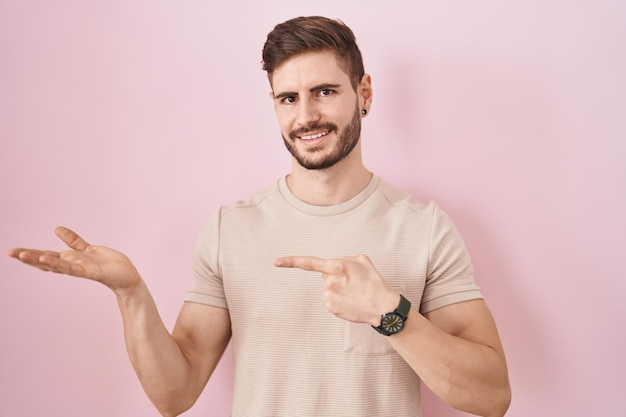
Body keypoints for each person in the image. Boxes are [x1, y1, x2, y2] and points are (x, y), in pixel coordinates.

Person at [8, 16, 511, 417]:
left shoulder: (424, 227)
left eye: (326, 91)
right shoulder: (232, 229)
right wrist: (131, 294)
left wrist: (389, 314)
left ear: (364, 94)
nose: (306, 115)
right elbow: (174, 395)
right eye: (288, 98)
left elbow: (492, 397)